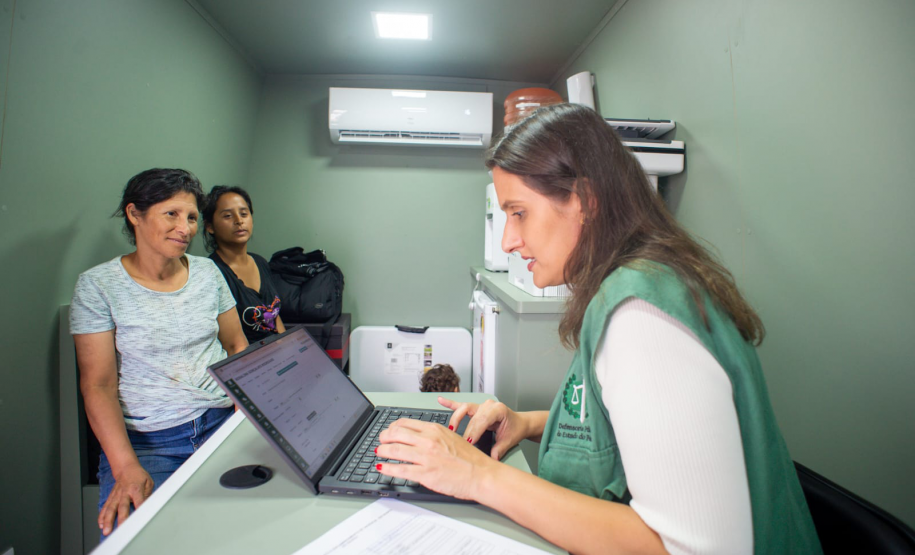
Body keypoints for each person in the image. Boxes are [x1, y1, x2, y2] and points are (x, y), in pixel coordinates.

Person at [376, 104, 822, 554]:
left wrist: (477, 475)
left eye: (519, 213)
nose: (508, 241)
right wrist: (527, 423)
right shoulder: (647, 283)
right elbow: (632, 428)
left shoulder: (641, 318)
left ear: (585, 201)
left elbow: (692, 548)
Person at [70, 169, 248, 538]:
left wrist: (243, 412)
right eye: (171, 214)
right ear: (135, 214)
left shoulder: (207, 274)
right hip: (150, 441)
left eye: (192, 217)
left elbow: (235, 346)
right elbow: (98, 386)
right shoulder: (98, 286)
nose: (185, 228)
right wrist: (125, 467)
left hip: (220, 424)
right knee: (138, 540)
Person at [202, 185, 286, 344]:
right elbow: (229, 343)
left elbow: (274, 316)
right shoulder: (211, 272)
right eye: (227, 215)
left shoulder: (260, 261)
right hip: (246, 361)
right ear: (210, 226)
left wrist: (290, 350)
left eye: (244, 214)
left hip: (276, 356)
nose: (239, 221)